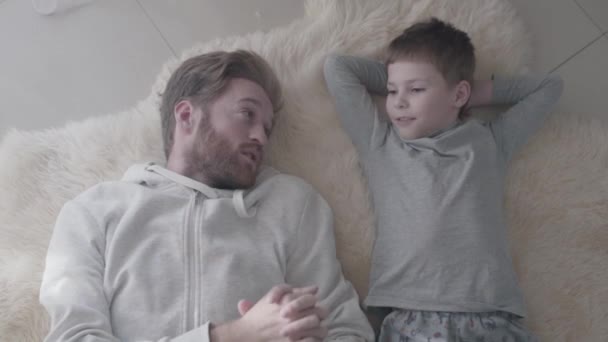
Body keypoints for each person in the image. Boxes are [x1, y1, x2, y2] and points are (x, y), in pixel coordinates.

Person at [40, 50, 374, 342]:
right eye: (247, 114)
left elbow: (347, 330)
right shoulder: (94, 212)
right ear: (187, 116)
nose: (260, 136)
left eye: (268, 128)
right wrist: (233, 336)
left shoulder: (291, 204)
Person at [323, 18, 563, 341]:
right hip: (409, 316)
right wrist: (405, 78)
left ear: (459, 93)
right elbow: (337, 68)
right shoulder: (381, 143)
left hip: (488, 314)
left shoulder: (489, 143)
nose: (398, 102)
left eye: (416, 90)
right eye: (393, 91)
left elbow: (549, 88)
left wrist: (466, 93)